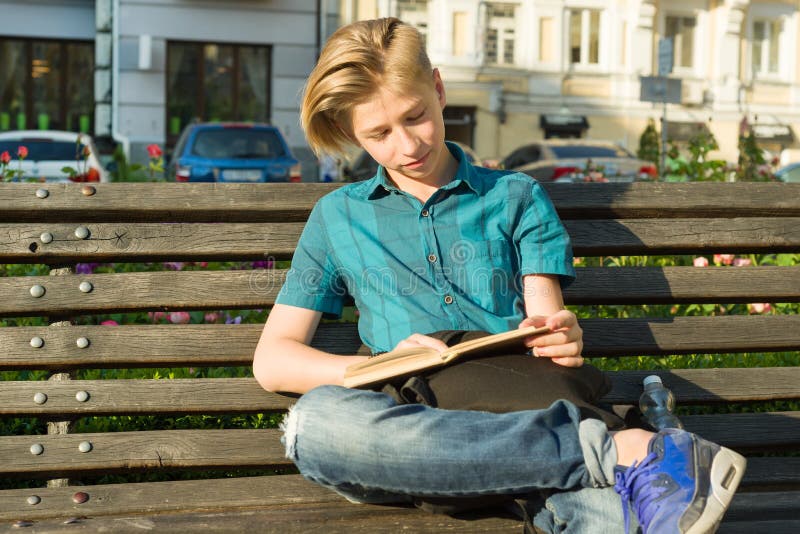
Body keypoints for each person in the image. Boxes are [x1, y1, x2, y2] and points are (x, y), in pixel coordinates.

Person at [253, 18, 746, 534]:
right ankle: (622, 448)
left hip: (518, 402)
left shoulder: (514, 197)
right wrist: (376, 368)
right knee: (316, 427)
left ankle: (588, 459)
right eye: (378, 134)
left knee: (613, 519)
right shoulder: (337, 217)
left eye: (415, 116)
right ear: (353, 134)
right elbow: (274, 360)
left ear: (439, 89)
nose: (407, 146)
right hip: (414, 417)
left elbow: (544, 314)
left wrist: (557, 333)